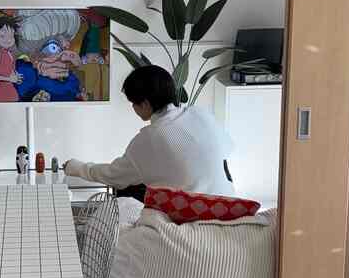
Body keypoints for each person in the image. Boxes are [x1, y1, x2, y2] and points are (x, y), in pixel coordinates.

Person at [64, 65, 234, 200]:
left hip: (195, 211)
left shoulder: (151, 137)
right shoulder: (200, 113)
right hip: (229, 201)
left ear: (145, 104)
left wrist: (75, 167)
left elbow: (113, 176)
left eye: (133, 103)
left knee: (127, 187)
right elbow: (228, 148)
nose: (133, 107)